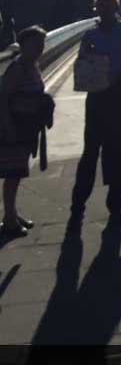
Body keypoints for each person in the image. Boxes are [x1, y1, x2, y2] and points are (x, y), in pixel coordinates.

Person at [68, 0, 121, 229]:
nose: (104, 10)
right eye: (100, 6)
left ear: (116, 8)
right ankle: (77, 208)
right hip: (97, 98)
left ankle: (115, 210)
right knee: (90, 153)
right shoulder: (89, 36)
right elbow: (82, 65)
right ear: (96, 10)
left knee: (119, 152)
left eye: (109, 6)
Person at [0, 26, 47, 234]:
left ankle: (11, 214)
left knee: (17, 173)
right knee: (12, 174)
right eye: (35, 44)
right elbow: (3, 98)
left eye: (42, 44)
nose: (40, 48)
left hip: (26, 126)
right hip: (15, 126)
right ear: (23, 45)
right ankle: (9, 220)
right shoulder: (18, 68)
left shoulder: (32, 65)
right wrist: (8, 127)